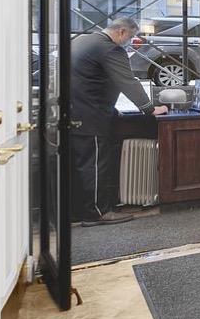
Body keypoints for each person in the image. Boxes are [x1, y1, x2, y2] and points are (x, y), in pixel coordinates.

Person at [70, 17, 168, 226]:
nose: (130, 41)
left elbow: (89, 80)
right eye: (131, 36)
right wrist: (150, 109)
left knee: (81, 164)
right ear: (122, 31)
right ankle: (97, 213)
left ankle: (80, 211)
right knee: (94, 164)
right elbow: (127, 82)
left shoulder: (81, 41)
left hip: (74, 112)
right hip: (92, 116)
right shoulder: (110, 49)